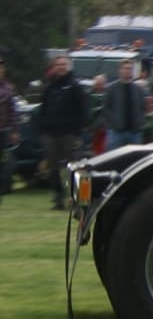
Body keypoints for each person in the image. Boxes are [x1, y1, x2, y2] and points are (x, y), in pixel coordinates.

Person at [37, 56, 90, 209]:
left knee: (75, 167)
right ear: (54, 67)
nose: (60, 67)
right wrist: (43, 128)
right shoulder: (50, 87)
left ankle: (78, 199)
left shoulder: (75, 86)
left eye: (63, 64)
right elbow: (43, 109)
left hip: (70, 133)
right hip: (51, 134)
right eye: (58, 65)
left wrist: (80, 129)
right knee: (53, 168)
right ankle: (58, 197)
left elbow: (84, 109)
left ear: (68, 66)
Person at [102, 60, 148, 151]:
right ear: (119, 70)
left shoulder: (138, 89)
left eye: (130, 69)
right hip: (116, 133)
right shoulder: (111, 89)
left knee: (134, 160)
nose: (127, 71)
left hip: (134, 133)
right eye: (125, 68)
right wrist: (111, 125)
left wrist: (140, 124)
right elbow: (106, 109)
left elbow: (142, 108)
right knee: (113, 159)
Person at [0, 57, 19, 201]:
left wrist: (14, 130)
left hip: (3, 131)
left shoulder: (8, 88)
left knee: (6, 162)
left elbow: (12, 111)